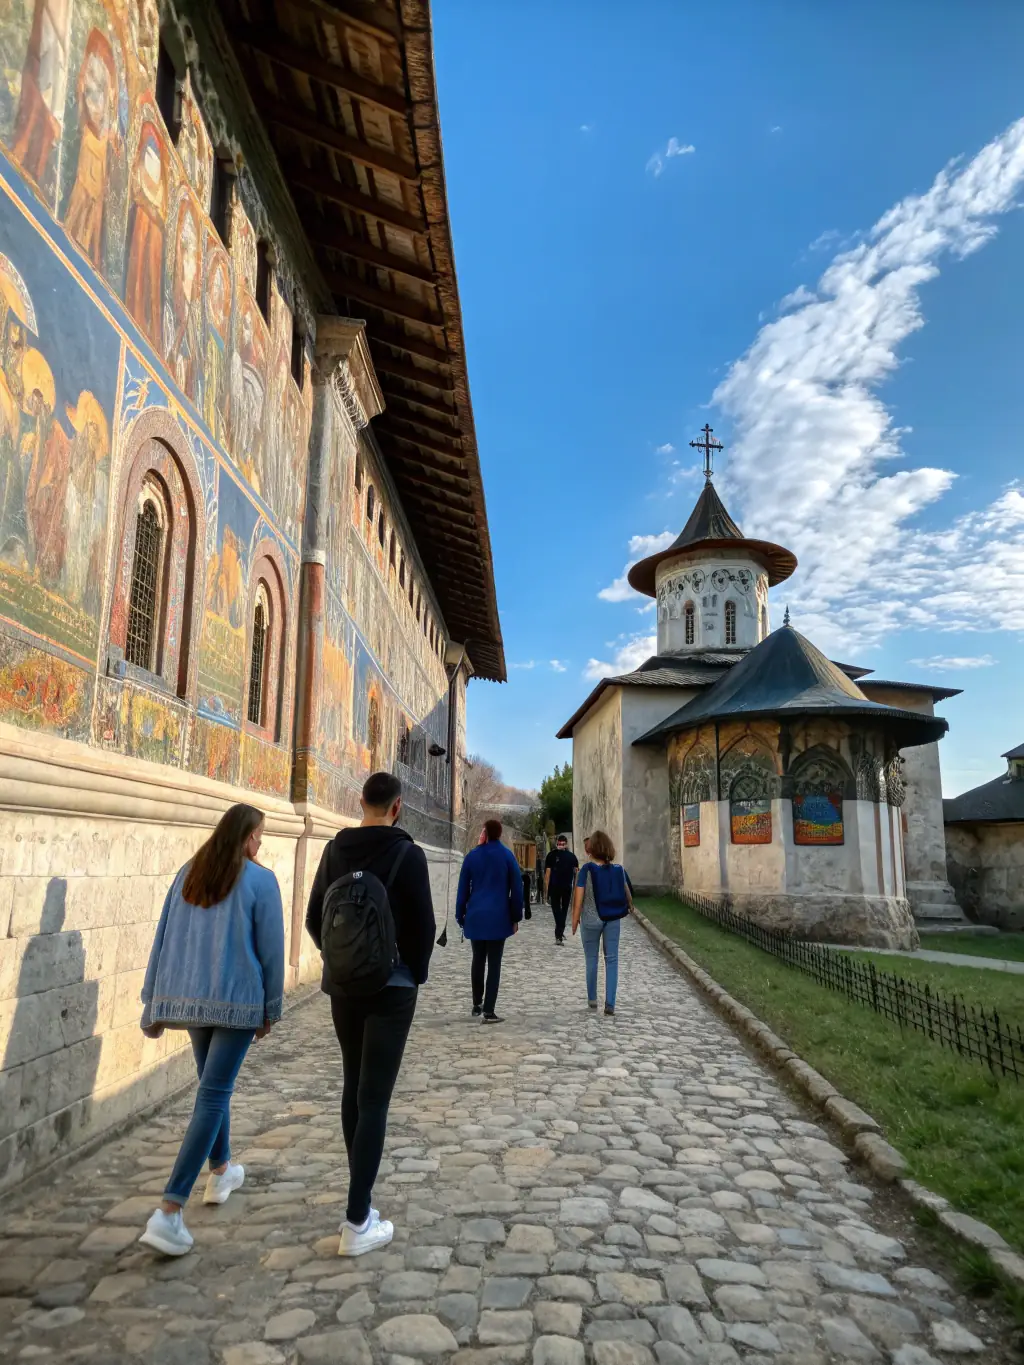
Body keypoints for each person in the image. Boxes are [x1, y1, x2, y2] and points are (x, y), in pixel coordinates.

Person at [138, 804, 284, 1257]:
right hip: (237, 999)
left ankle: (221, 1172)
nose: (261, 844)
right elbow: (272, 951)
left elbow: (164, 935)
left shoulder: (189, 872)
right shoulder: (261, 881)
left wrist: (154, 995)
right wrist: (271, 1009)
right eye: (259, 835)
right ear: (245, 837)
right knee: (214, 1094)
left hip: (191, 996)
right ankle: (169, 1209)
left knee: (211, 1087)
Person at [305, 771, 435, 1257]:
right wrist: (413, 972)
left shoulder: (335, 850)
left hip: (343, 987)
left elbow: (314, 916)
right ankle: (357, 1219)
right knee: (375, 1098)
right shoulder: (408, 853)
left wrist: (338, 959)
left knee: (352, 1083)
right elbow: (423, 926)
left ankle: (361, 1195)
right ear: (397, 807)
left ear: (361, 802)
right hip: (393, 986)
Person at [456, 819, 524, 1023]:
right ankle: (489, 1010)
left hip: (476, 915)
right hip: (499, 916)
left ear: (484, 832)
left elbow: (462, 890)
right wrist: (515, 917)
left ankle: (477, 1002)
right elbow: (517, 889)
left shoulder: (472, 856)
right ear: (500, 833)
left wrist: (460, 915)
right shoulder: (507, 856)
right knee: (494, 963)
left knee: (478, 959)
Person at [571, 828, 633, 1016]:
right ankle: (610, 1003)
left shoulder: (585, 870)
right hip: (613, 918)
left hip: (590, 919)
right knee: (611, 959)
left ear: (591, 849)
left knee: (591, 959)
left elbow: (578, 898)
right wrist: (629, 906)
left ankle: (592, 1000)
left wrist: (574, 922)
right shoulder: (618, 869)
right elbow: (627, 892)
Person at [544, 834, 578, 945]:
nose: (560, 845)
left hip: (557, 887)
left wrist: (545, 891)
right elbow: (576, 874)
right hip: (564, 887)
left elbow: (547, 875)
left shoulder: (551, 855)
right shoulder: (572, 857)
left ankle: (559, 932)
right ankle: (559, 932)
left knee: (558, 910)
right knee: (562, 910)